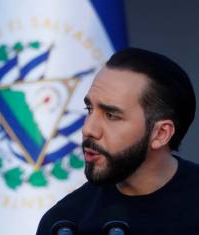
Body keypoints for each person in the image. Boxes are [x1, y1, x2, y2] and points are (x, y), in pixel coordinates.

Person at [36, 48, 198, 235]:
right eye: (89, 109)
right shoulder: (63, 224)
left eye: (111, 115)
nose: (88, 129)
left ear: (161, 133)